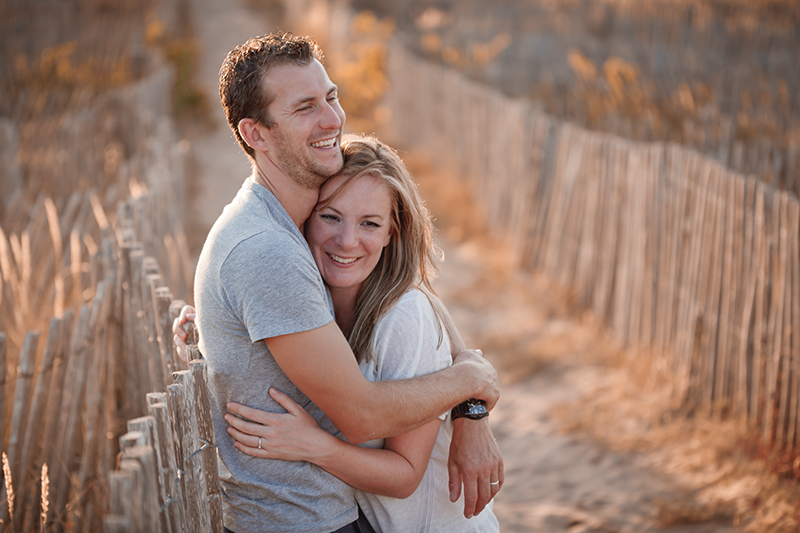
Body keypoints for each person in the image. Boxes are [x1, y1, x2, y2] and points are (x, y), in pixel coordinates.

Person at [180, 32, 502, 533]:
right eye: (305, 107)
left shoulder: (288, 228)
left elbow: (414, 306)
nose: (332, 119)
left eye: (331, 97)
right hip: (299, 521)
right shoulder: (268, 249)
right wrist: (470, 381)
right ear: (256, 134)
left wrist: (472, 412)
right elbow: (362, 415)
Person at [222, 134, 501, 532]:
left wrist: (316, 446)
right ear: (305, 216)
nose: (347, 241)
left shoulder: (404, 317)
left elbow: (404, 475)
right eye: (330, 216)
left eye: (370, 223)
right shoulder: (314, 308)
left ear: (392, 233)